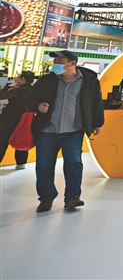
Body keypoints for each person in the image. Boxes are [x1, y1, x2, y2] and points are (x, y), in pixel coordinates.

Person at [24, 51, 104, 212]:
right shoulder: (46, 80)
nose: (56, 64)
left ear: (72, 63)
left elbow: (96, 102)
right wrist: (38, 106)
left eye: (60, 61)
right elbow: (28, 100)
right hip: (47, 130)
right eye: (55, 61)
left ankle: (73, 198)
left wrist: (98, 123)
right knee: (44, 166)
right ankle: (46, 198)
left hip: (73, 130)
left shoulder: (89, 81)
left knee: (74, 164)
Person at [0, 71, 35, 170]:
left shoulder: (18, 90)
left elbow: (1, 96)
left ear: (23, 79)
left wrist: (7, 87)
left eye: (18, 77)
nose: (15, 78)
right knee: (21, 138)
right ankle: (21, 163)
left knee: (2, 139)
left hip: (9, 118)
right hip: (25, 118)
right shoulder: (32, 90)